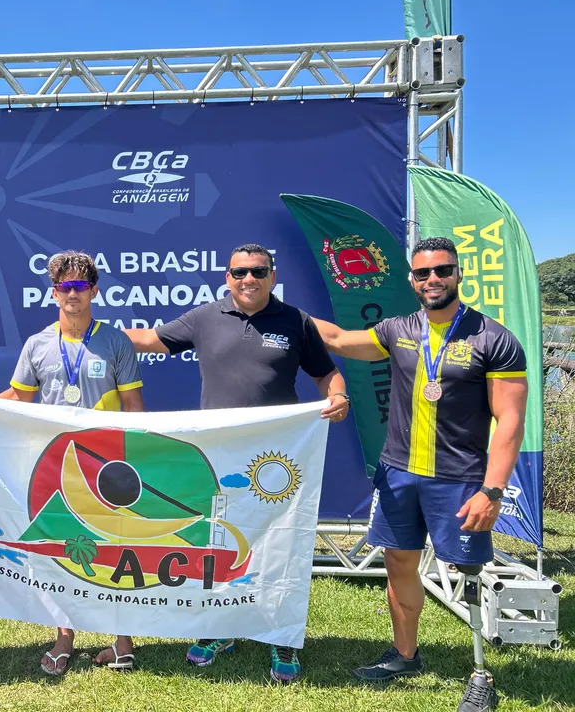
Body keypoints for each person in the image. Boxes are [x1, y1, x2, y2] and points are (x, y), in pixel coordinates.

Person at [312, 237, 527, 712]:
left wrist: (492, 490)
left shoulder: (493, 338)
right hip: (398, 474)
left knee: (467, 572)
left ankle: (479, 673)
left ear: (458, 274)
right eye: (423, 273)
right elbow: (338, 340)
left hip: (461, 480)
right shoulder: (397, 329)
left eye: (442, 271)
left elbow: (510, 422)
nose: (433, 280)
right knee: (399, 565)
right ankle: (405, 654)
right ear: (411, 280)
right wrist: (281, 311)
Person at [124, 243, 350, 683]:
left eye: (258, 271)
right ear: (227, 276)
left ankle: (281, 637)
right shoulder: (206, 317)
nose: (249, 279)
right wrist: (88, 329)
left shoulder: (296, 321)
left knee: (280, 545)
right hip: (220, 455)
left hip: (277, 457)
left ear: (272, 274)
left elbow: (327, 373)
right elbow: (150, 339)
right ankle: (219, 628)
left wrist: (337, 394)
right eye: (240, 272)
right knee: (218, 543)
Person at [0, 251, 145, 676]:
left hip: (107, 465)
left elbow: (133, 407)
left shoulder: (116, 341)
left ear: (94, 291)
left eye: (80, 287)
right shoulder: (38, 344)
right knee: (60, 552)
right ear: (53, 293)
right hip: (56, 467)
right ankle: (63, 639)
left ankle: (122, 643)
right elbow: (18, 398)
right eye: (64, 287)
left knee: (115, 549)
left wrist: (133, 461)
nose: (73, 294)